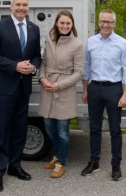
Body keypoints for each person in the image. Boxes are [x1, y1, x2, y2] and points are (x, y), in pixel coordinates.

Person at [0, 0, 41, 192]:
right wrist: (14, 66)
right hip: (4, 88)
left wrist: (33, 67)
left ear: (28, 7)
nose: (21, 8)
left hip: (24, 88)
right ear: (11, 6)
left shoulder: (34, 29)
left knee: (19, 129)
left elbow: (36, 57)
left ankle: (14, 166)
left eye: (25, 5)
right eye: (18, 4)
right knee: (1, 130)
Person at [80, 9, 126, 181]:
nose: (105, 24)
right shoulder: (91, 42)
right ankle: (94, 162)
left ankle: (116, 165)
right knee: (94, 128)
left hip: (114, 89)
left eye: (109, 22)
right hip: (95, 88)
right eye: (102, 21)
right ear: (99, 22)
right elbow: (87, 67)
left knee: (115, 130)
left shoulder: (122, 43)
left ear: (114, 24)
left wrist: (125, 94)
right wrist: (86, 89)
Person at [38, 10, 84, 178]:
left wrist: (59, 85)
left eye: (68, 23)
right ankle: (56, 155)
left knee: (63, 131)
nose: (65, 26)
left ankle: (62, 162)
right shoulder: (49, 40)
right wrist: (42, 78)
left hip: (63, 91)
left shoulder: (77, 44)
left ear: (72, 25)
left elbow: (79, 72)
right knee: (49, 128)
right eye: (62, 23)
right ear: (57, 24)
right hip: (48, 88)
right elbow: (43, 63)